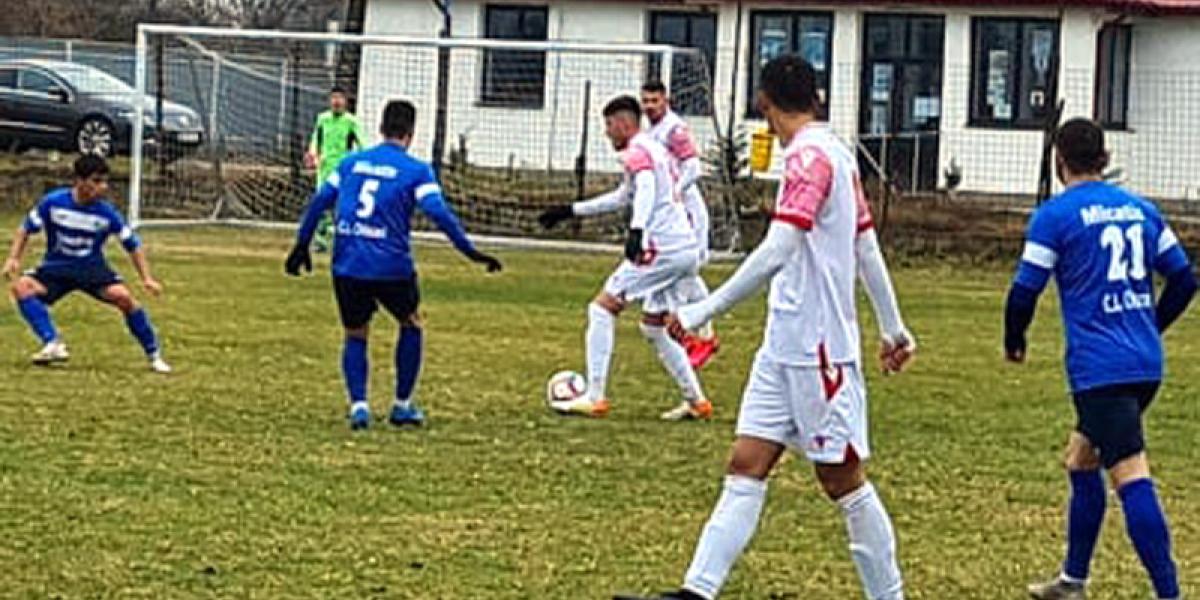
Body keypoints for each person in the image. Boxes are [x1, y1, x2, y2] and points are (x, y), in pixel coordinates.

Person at [614, 55, 915, 600]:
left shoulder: (808, 158)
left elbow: (779, 249)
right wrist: (893, 329)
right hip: (782, 346)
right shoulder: (837, 152)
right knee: (746, 463)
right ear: (816, 98)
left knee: (842, 480)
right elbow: (866, 245)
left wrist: (701, 311)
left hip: (818, 351)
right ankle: (695, 592)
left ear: (764, 103)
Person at [1006, 118, 1195, 600]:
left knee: (1130, 472)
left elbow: (1025, 289)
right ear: (1105, 159)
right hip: (1144, 364)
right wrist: (1150, 325)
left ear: (1058, 161)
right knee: (1080, 459)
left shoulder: (1055, 216)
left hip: (1100, 371)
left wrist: (1015, 339)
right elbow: (1184, 278)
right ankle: (1072, 581)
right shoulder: (1141, 210)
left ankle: (1170, 594)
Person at [286, 99, 502, 430]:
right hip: (391, 266)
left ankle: (359, 406)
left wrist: (302, 245)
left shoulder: (350, 163)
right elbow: (438, 212)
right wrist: (470, 251)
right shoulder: (416, 170)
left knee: (355, 332)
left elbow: (319, 203)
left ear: (381, 128)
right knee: (411, 322)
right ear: (410, 133)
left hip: (348, 263)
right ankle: (402, 405)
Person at [538, 96, 712, 421]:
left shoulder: (637, 150)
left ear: (623, 123)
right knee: (654, 327)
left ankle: (595, 396)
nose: (607, 132)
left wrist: (637, 231)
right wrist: (571, 210)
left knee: (602, 308)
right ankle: (696, 401)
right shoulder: (654, 149)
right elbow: (623, 196)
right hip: (683, 247)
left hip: (662, 248)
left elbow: (645, 187)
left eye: (609, 125)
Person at [4, 154, 170, 374]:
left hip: (91, 270)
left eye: (105, 182)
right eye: (96, 181)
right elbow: (25, 228)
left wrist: (146, 278)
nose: (103, 187)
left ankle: (154, 355)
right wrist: (13, 258)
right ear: (79, 181)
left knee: (124, 298)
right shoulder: (53, 202)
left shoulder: (107, 213)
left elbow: (132, 244)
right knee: (21, 288)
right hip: (57, 269)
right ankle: (53, 343)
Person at [641, 81, 719, 369]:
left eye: (655, 100)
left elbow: (693, 167)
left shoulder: (674, 130)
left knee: (684, 274)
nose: (650, 106)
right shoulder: (651, 133)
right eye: (646, 101)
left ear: (666, 100)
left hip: (688, 214)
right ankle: (704, 336)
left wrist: (676, 190)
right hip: (672, 217)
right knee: (686, 275)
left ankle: (693, 336)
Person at [305, 86, 365, 253]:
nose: (336, 101)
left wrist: (360, 162)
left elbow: (363, 144)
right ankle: (320, 241)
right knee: (321, 206)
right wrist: (312, 154)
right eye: (334, 98)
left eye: (340, 98)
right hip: (324, 170)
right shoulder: (322, 119)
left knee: (343, 207)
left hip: (343, 171)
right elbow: (315, 139)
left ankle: (345, 241)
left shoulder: (351, 122)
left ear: (345, 101)